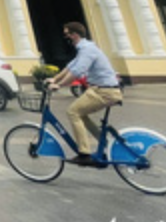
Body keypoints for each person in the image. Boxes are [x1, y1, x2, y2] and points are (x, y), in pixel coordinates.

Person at [47, 22, 122, 167]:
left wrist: (59, 85)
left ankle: (84, 154)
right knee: (80, 114)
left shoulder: (87, 49)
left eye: (67, 34)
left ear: (74, 35)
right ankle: (103, 142)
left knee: (73, 112)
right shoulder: (85, 49)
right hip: (99, 89)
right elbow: (71, 66)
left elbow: (77, 71)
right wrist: (54, 79)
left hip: (105, 91)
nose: (65, 37)